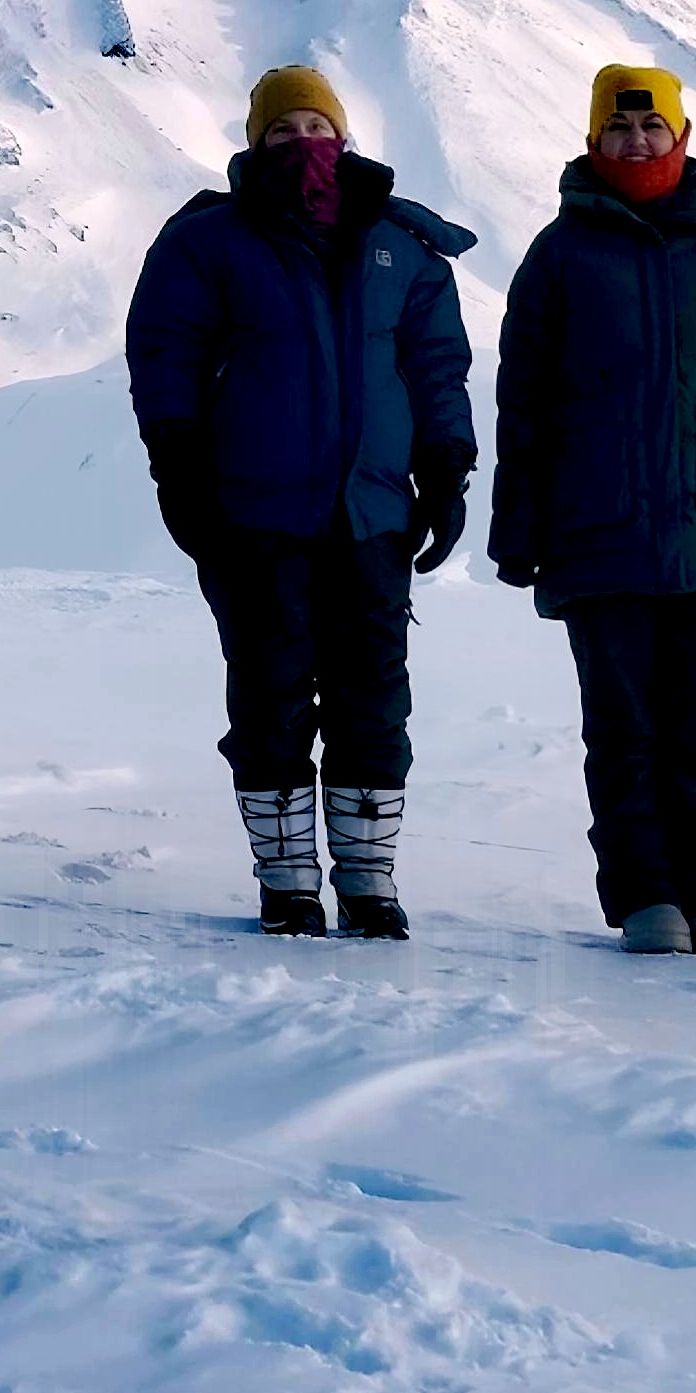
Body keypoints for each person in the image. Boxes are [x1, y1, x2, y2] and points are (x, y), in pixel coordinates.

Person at [123, 64, 479, 940]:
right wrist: (179, 469)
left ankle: (368, 880)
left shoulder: (400, 245)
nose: (302, 145)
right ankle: (286, 885)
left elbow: (437, 367)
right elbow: (164, 358)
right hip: (255, 515)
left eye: (316, 128)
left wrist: (446, 467)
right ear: (255, 144)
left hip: (371, 513)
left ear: (344, 137)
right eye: (282, 133)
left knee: (373, 699)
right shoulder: (208, 242)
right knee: (271, 694)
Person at [492, 62, 696, 956]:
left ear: (682, 136)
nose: (637, 141)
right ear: (593, 141)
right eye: (619, 128)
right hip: (598, 533)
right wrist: (517, 529)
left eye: (652, 126)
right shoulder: (559, 254)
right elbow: (523, 403)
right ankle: (646, 898)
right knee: (625, 728)